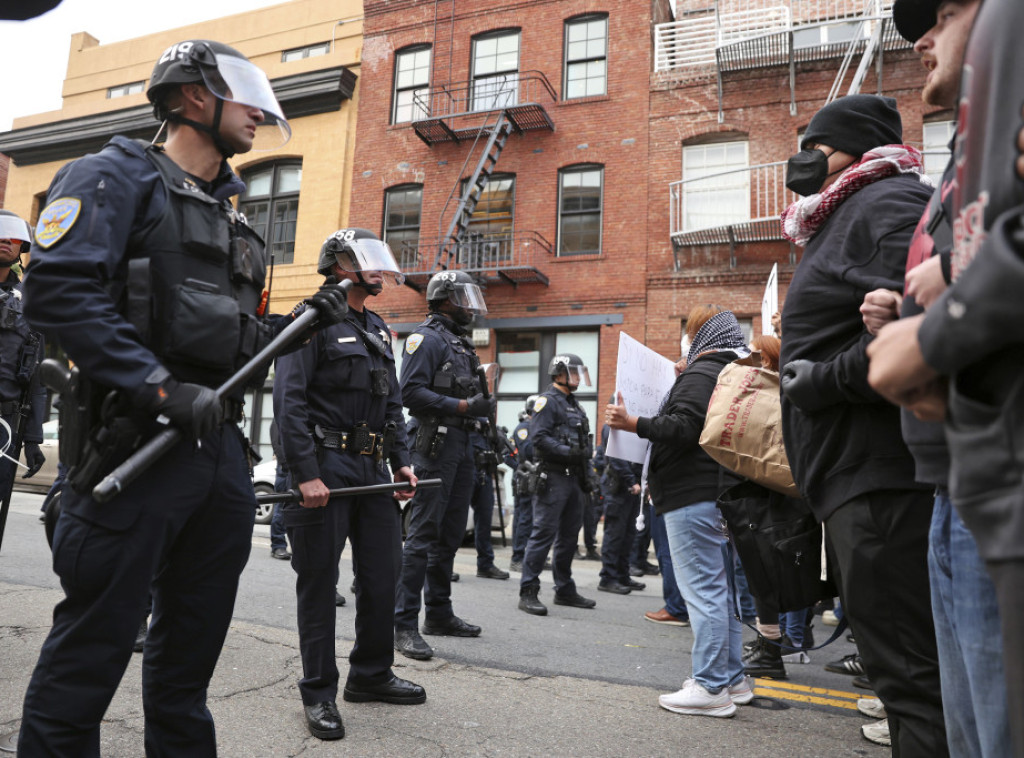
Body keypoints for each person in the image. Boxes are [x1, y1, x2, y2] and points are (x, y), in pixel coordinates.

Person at [17, 40, 350, 756]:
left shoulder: (232, 217)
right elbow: (57, 292)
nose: (260, 113)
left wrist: (297, 325)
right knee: (89, 657)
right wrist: (160, 389)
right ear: (195, 96)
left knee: (188, 665)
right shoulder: (112, 177)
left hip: (217, 452)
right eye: (245, 96)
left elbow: (227, 340)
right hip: (134, 443)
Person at [867, 0, 1023, 754]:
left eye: (947, 12)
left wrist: (937, 330)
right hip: (956, 473)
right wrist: (905, 317)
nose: (922, 39)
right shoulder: (972, 133)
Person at [777, 94, 948, 754]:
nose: (802, 160)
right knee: (904, 677)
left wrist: (821, 380)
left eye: (814, 146)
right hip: (860, 478)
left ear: (851, 149)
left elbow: (920, 330)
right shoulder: (850, 209)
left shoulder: (886, 202)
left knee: (912, 680)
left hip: (881, 481)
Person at [273, 227, 424, 741]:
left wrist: (401, 462)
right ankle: (318, 692)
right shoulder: (311, 318)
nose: (379, 269)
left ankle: (371, 674)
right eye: (368, 260)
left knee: (383, 575)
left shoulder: (377, 327)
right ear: (340, 265)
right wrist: (304, 473)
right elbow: (288, 402)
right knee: (319, 583)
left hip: (372, 470)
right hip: (324, 463)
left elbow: (392, 404)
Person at [607, 306, 749, 718]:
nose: (686, 340)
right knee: (720, 592)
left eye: (690, 332)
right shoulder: (726, 372)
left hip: (691, 496)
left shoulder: (701, 373)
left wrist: (633, 422)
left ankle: (710, 686)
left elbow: (685, 427)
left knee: (703, 593)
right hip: (714, 495)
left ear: (702, 336)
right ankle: (733, 680)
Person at [394, 270, 491, 660]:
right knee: (422, 536)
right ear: (446, 299)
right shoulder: (427, 338)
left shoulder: (461, 343)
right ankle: (403, 624)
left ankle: (438, 613)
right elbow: (409, 393)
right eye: (465, 297)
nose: (471, 306)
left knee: (449, 534)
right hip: (434, 445)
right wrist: (463, 406)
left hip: (462, 444)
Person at [517, 353, 597, 616]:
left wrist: (589, 476)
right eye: (574, 372)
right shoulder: (547, 402)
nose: (578, 378)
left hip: (575, 478)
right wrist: (567, 452)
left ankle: (564, 589)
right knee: (543, 534)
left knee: (569, 537)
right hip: (553, 477)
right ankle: (528, 591)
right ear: (559, 373)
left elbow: (583, 445)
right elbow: (538, 439)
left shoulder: (575, 405)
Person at [0, 210, 46, 502]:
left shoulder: (29, 303)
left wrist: (32, 440)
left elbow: (36, 377)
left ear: (21, 248)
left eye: (13, 236)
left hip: (5, 427)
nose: (5, 239)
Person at [596, 417, 645, 594]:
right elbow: (616, 457)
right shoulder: (612, 426)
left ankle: (622, 575)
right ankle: (608, 578)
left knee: (628, 535)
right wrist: (631, 481)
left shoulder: (629, 424)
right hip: (619, 488)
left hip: (632, 489)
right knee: (614, 535)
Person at [469, 421, 511, 579]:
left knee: (485, 520)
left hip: (484, 473)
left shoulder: (486, 421)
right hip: (466, 470)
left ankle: (485, 565)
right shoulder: (465, 414)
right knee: (455, 520)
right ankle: (444, 564)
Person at [507, 395, 538, 572]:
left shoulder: (536, 427)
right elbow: (528, 451)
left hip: (536, 478)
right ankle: (517, 558)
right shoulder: (524, 428)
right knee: (524, 519)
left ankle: (531, 557)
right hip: (526, 479)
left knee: (533, 520)